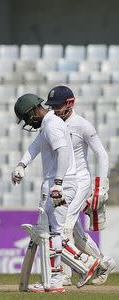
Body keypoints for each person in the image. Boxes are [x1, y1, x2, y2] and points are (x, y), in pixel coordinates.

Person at [12, 93, 99, 292]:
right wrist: (21, 165)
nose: (27, 122)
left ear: (34, 110)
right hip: (59, 183)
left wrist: (58, 183)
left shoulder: (52, 125)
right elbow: (35, 147)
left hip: (60, 183)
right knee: (54, 232)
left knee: (50, 232)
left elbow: (63, 152)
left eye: (26, 117)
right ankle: (63, 275)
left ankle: (66, 274)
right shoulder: (49, 124)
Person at [45, 86, 116, 285]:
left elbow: (101, 155)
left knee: (63, 227)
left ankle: (64, 275)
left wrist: (101, 188)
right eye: (52, 105)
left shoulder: (82, 125)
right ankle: (104, 262)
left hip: (80, 180)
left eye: (58, 105)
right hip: (64, 182)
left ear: (70, 103)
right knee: (75, 232)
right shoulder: (51, 123)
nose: (55, 109)